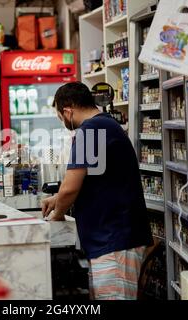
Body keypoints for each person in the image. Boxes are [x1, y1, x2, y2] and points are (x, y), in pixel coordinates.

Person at [42, 82, 153, 300]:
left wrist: (57, 214)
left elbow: (71, 187)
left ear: (67, 111)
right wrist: (58, 198)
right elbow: (97, 180)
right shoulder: (104, 125)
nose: (63, 121)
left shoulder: (91, 130)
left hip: (114, 241)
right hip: (114, 239)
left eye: (60, 116)